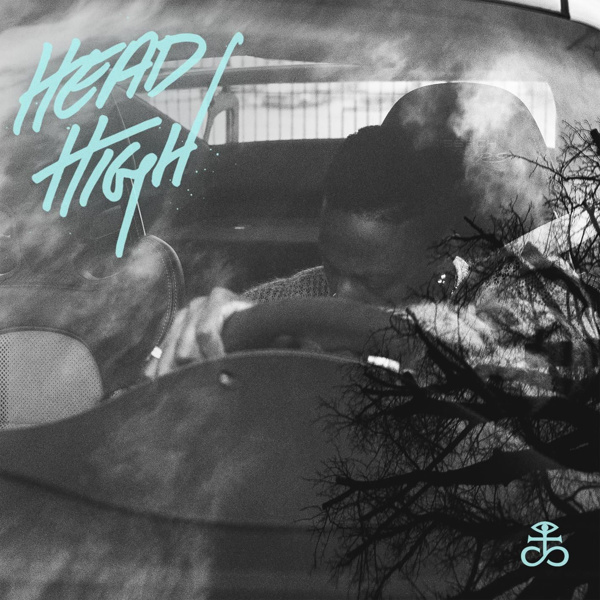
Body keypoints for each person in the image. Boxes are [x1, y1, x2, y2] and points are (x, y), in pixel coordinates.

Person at [147, 82, 549, 377]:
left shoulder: (505, 297)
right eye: (332, 265)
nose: (342, 292)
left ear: (443, 254)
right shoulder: (300, 292)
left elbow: (505, 360)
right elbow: (237, 318)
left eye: (374, 280)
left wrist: (308, 323)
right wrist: (212, 327)